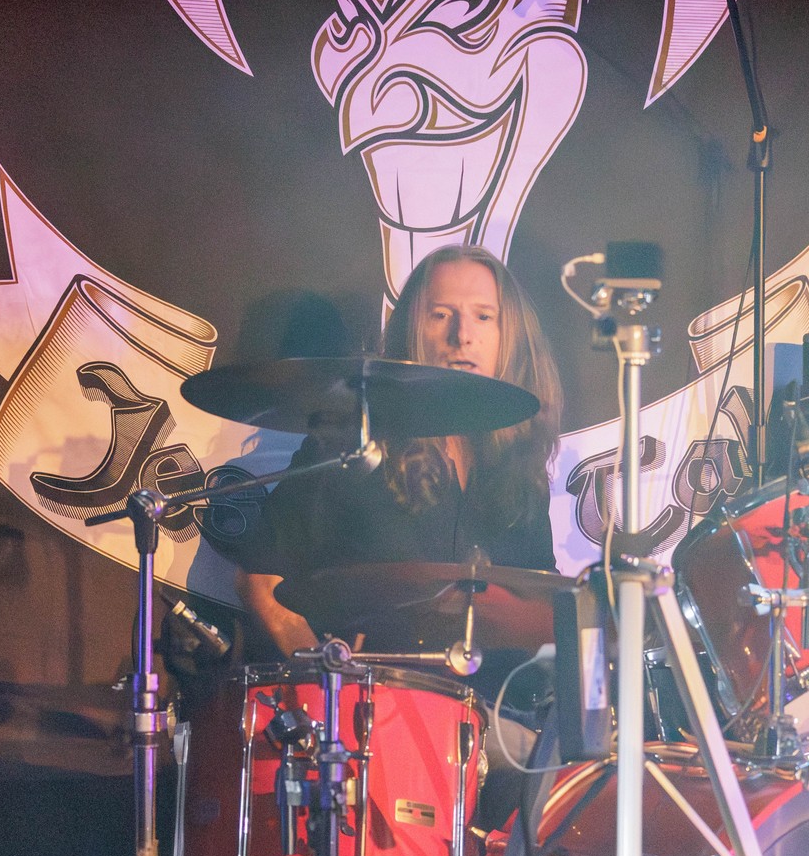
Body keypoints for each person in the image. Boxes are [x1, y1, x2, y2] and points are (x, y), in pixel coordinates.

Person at [233, 244, 564, 662]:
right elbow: (260, 581)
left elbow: (541, 609)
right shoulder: (355, 445)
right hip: (365, 696)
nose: (462, 335)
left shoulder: (519, 467)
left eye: (484, 316)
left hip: (483, 700)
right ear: (411, 330)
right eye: (440, 315)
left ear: (510, 336)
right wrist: (326, 674)